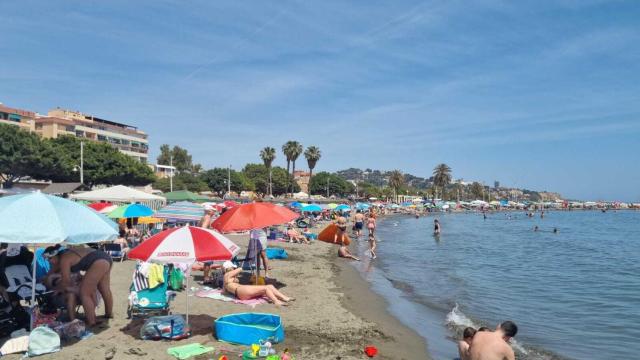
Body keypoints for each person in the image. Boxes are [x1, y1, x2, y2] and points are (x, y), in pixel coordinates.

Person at [43, 245, 113, 327]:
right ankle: (109, 314)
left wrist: (59, 289)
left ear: (56, 256)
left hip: (98, 261)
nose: (49, 261)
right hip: (105, 257)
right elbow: (51, 272)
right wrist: (45, 279)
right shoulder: (65, 255)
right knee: (104, 289)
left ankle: (91, 321)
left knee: (85, 293)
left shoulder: (64, 260)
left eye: (50, 259)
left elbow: (66, 281)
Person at [222, 261, 293, 306]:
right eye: (232, 267)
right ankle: (276, 301)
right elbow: (240, 269)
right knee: (265, 288)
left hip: (239, 293)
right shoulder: (227, 274)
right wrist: (239, 267)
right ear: (230, 268)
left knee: (270, 286)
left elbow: (224, 292)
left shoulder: (226, 278)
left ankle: (285, 298)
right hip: (241, 290)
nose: (234, 268)